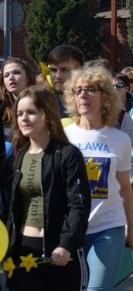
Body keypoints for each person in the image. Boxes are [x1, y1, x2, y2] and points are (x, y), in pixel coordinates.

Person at [3, 85, 90, 290]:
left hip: (59, 252)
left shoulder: (68, 154)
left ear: (47, 114)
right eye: (20, 113)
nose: (24, 118)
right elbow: (6, 207)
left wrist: (66, 244)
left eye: (31, 112)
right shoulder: (16, 158)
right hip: (21, 252)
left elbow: (79, 204)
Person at [63, 66, 133, 291]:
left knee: (97, 288)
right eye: (78, 90)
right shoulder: (64, 137)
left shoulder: (120, 139)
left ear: (104, 96)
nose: (83, 95)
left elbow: (125, 187)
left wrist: (130, 227)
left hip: (109, 227)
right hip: (70, 229)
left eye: (90, 90)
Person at [1, 57, 36, 143]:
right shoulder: (2, 106)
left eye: (16, 73)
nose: (11, 77)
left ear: (28, 77)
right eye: (6, 75)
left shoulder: (41, 102)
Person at [46, 45, 85, 117]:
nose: (58, 76)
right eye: (53, 70)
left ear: (80, 71)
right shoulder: (44, 104)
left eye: (64, 70)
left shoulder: (94, 105)